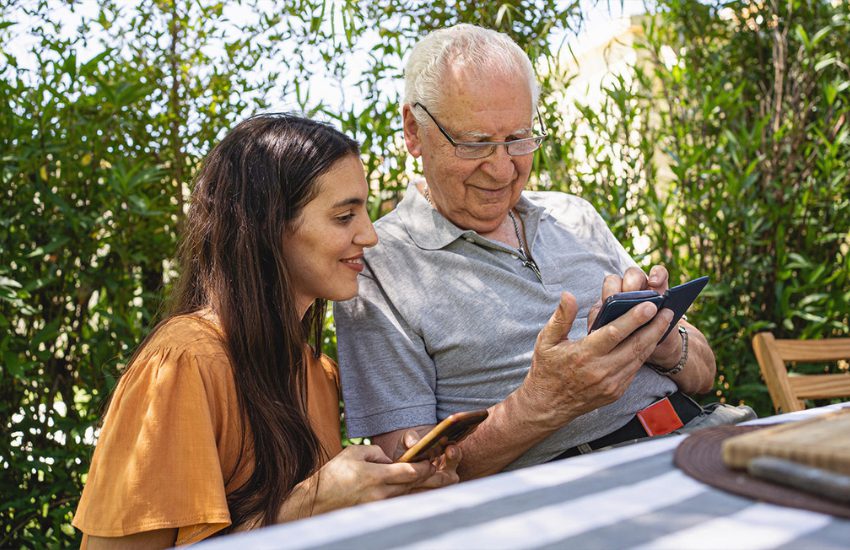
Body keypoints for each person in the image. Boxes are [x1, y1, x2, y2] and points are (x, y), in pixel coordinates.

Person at [334, 24, 724, 480]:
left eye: (519, 139)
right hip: (582, 485)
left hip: (701, 432)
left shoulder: (573, 214)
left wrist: (658, 340)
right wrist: (544, 402)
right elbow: (414, 480)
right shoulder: (379, 265)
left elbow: (705, 374)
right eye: (475, 143)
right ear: (413, 131)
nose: (502, 170)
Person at [73, 114, 460, 548]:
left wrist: (391, 493)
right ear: (268, 227)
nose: (369, 235)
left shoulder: (316, 373)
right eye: (344, 216)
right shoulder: (184, 362)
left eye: (364, 212)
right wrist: (310, 504)